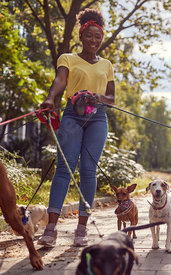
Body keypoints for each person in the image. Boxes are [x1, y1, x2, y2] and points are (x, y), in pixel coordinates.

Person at [38, 8, 115, 247]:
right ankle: (50, 229)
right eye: (89, 35)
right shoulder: (67, 58)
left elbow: (111, 98)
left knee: (89, 171)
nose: (94, 40)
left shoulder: (107, 65)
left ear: (102, 39)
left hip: (98, 118)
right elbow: (60, 81)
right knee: (64, 168)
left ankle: (81, 229)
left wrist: (98, 97)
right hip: (72, 115)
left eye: (98, 36)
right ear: (81, 36)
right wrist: (51, 99)